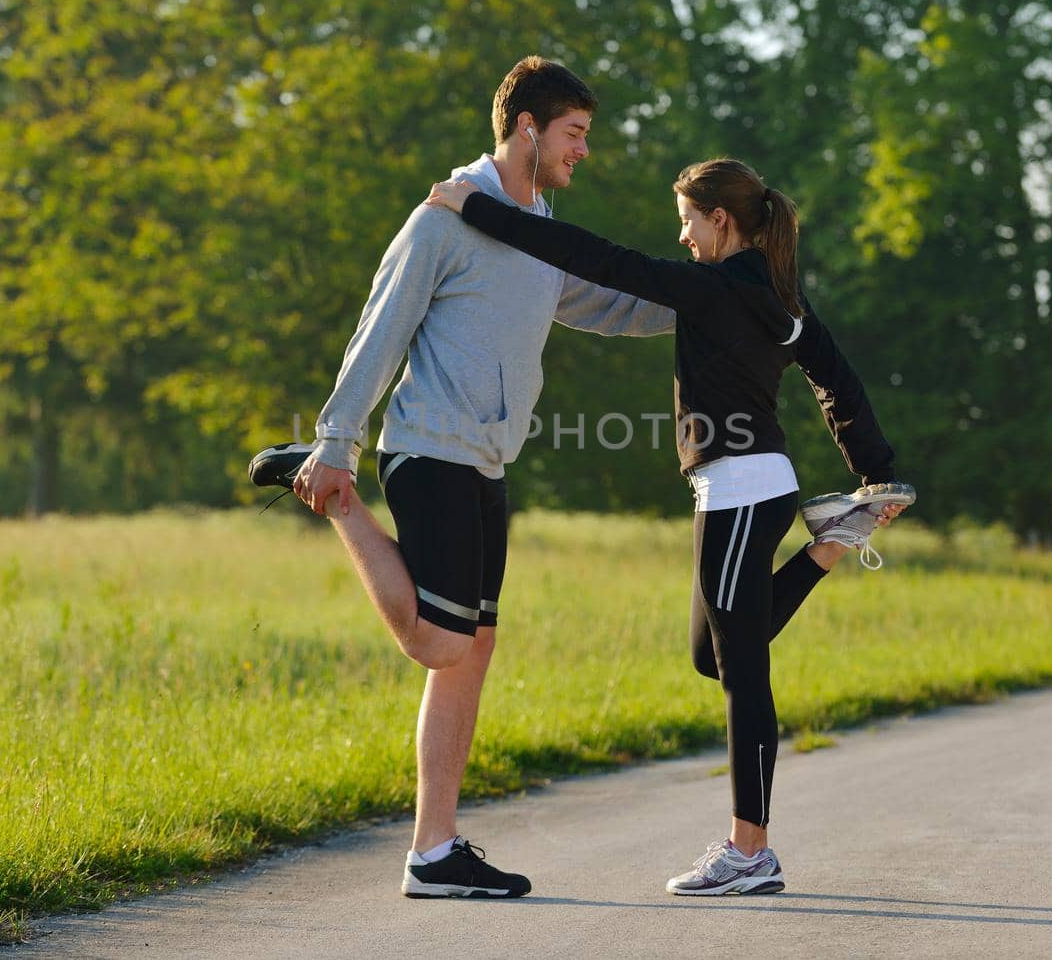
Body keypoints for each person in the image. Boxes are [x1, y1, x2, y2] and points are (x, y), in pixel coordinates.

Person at [424, 158, 915, 896]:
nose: (681, 236)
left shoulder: (717, 291)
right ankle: (834, 541)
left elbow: (597, 258)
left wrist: (476, 209)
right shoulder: (775, 295)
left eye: (689, 219)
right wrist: (873, 466)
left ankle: (750, 851)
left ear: (722, 219)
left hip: (744, 489)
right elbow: (836, 376)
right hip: (738, 491)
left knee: (743, 669)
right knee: (712, 656)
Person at [248, 57, 676, 898]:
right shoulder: (443, 220)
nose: (583, 151)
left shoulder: (538, 226)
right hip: (429, 447)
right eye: (574, 134)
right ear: (527, 128)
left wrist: (709, 308)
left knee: (470, 655)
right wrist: (339, 441)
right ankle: (330, 496)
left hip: (487, 461)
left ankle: (434, 852)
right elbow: (383, 326)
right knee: (437, 641)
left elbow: (603, 303)